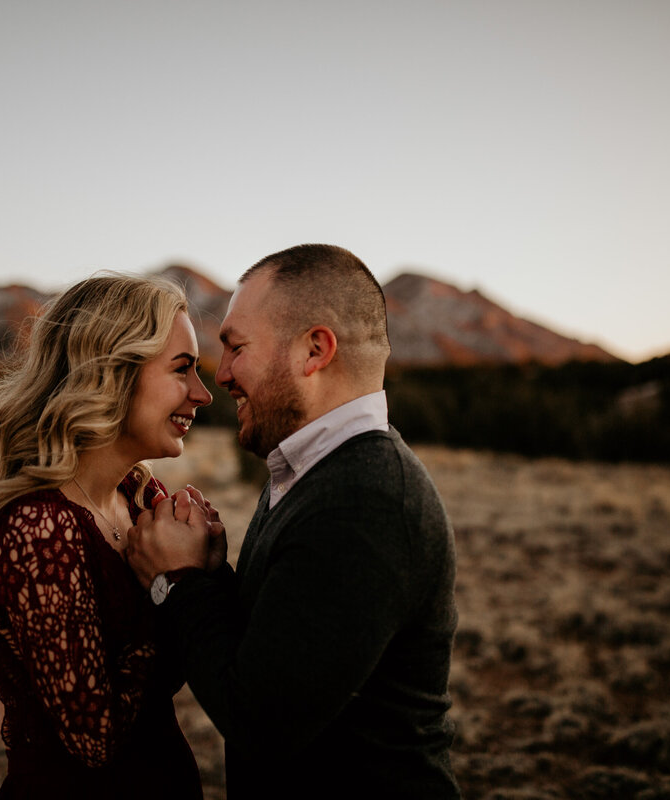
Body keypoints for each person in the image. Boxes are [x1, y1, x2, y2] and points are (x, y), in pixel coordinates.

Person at [126, 244, 462, 799]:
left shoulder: (366, 499)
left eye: (235, 348)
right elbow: (280, 645)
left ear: (314, 349)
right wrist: (210, 576)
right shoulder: (311, 470)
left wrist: (179, 583)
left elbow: (260, 719)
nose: (223, 375)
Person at [0, 274, 214, 800]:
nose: (202, 394)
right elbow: (95, 740)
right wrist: (173, 585)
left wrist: (208, 567)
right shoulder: (37, 529)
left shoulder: (138, 496)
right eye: (182, 369)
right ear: (112, 373)